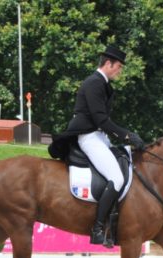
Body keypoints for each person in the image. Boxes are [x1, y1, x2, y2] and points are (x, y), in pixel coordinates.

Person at [48, 45, 144, 245]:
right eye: (118, 66)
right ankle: (98, 227)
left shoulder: (104, 84)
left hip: (99, 137)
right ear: (108, 63)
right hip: (89, 137)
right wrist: (126, 136)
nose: (120, 70)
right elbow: (101, 120)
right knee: (117, 179)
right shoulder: (94, 83)